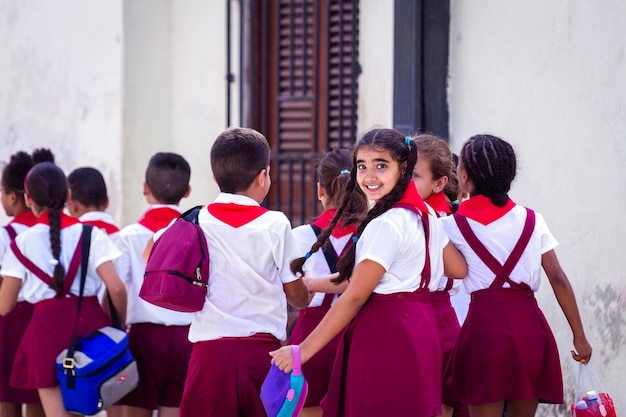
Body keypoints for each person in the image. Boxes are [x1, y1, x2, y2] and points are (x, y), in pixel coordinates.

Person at [271, 128, 466, 417]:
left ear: (404, 169)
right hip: (420, 330)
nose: (369, 176)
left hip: (385, 334)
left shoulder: (386, 223)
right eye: (362, 166)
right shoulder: (424, 215)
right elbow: (458, 268)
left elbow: (354, 297)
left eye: (381, 165)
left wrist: (301, 351)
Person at [440, 134, 593, 417]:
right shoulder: (532, 219)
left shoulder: (448, 227)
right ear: (509, 176)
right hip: (529, 328)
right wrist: (579, 336)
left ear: (462, 176)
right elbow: (558, 278)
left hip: (484, 331)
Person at [178, 127, 309, 417]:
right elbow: (297, 296)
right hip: (263, 356)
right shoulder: (276, 223)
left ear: (214, 178)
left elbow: (156, 254)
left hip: (209, 355)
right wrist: (306, 290)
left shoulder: (196, 219)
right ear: (263, 176)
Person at [0, 162, 127, 417]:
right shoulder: (92, 234)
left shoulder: (21, 243)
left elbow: (5, 306)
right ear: (68, 195)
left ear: (28, 198)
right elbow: (116, 287)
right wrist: (116, 326)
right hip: (90, 327)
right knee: (94, 409)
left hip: (44, 333)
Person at [289, 148, 367, 417]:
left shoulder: (299, 236)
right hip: (361, 335)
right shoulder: (374, 232)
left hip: (313, 336)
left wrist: (311, 284)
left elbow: (292, 293)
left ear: (320, 190)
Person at [115, 152, 192, 417]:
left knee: (135, 411)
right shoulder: (197, 232)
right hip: (187, 337)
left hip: (143, 337)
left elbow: (116, 288)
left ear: (145, 188)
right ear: (188, 191)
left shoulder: (127, 237)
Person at [411, 134, 468, 417]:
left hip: (425, 317)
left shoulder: (430, 220)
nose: (405, 183)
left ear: (439, 182)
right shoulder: (453, 216)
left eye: (414, 176)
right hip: (445, 320)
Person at [0, 149, 54, 417]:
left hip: (9, 321)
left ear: (13, 195)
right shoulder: (53, 230)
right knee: (38, 393)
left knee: (5, 393)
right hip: (43, 320)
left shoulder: (7, 234)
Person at [67, 166, 123, 417]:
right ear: (107, 201)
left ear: (72, 203)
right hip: (116, 333)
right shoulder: (123, 236)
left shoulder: (69, 239)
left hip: (76, 331)